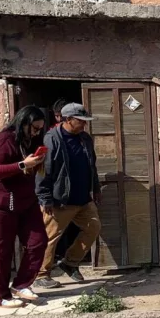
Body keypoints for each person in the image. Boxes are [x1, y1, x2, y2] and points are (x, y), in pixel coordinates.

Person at [0, 106, 48, 307]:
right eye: (34, 128)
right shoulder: (3, 140)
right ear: (23, 123)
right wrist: (23, 164)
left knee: (38, 241)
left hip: (24, 201)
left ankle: (21, 284)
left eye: (40, 129)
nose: (37, 132)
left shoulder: (31, 141)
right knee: (1, 249)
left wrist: (37, 162)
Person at [34, 103, 102, 289]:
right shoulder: (52, 139)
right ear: (68, 120)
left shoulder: (85, 139)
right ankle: (41, 274)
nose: (84, 124)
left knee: (93, 227)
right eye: (81, 121)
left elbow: (92, 165)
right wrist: (45, 198)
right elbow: (43, 171)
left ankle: (70, 263)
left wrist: (95, 188)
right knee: (50, 237)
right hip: (60, 200)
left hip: (83, 198)